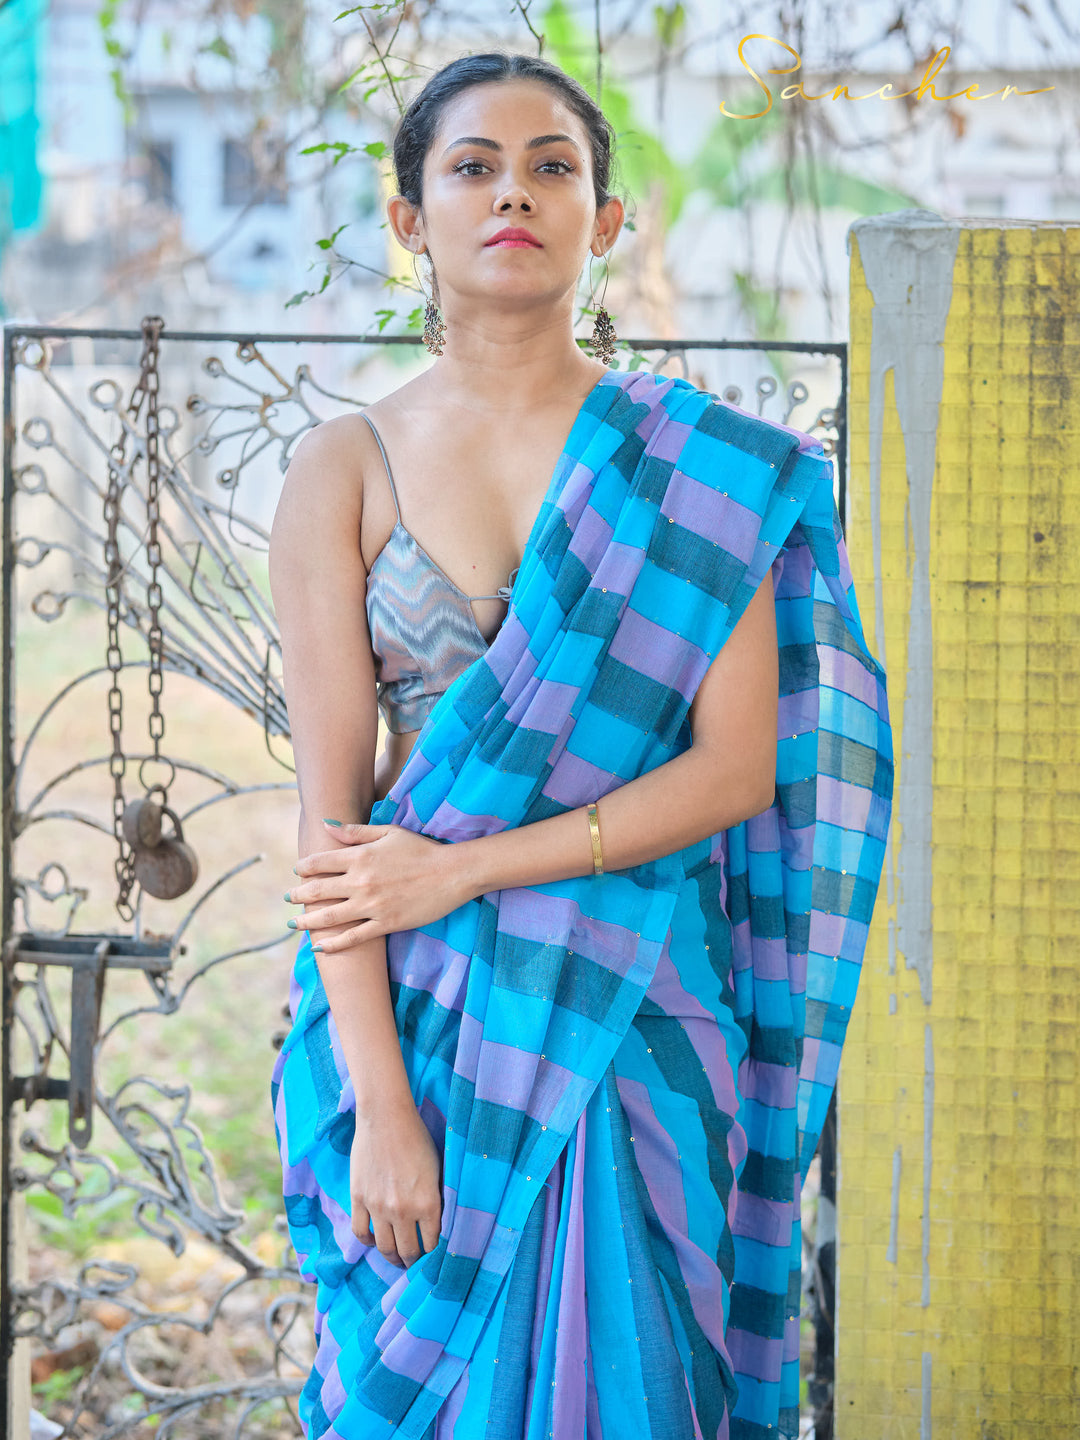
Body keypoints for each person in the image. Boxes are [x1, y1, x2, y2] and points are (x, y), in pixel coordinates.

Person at [268, 50, 893, 1440]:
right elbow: (334, 824)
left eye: (554, 167)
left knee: (641, 1382)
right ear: (408, 216)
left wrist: (468, 873)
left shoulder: (702, 475)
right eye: (473, 167)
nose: (515, 194)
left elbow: (735, 773)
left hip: (636, 1005)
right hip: (426, 1025)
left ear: (608, 220)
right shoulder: (345, 468)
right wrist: (378, 1100)